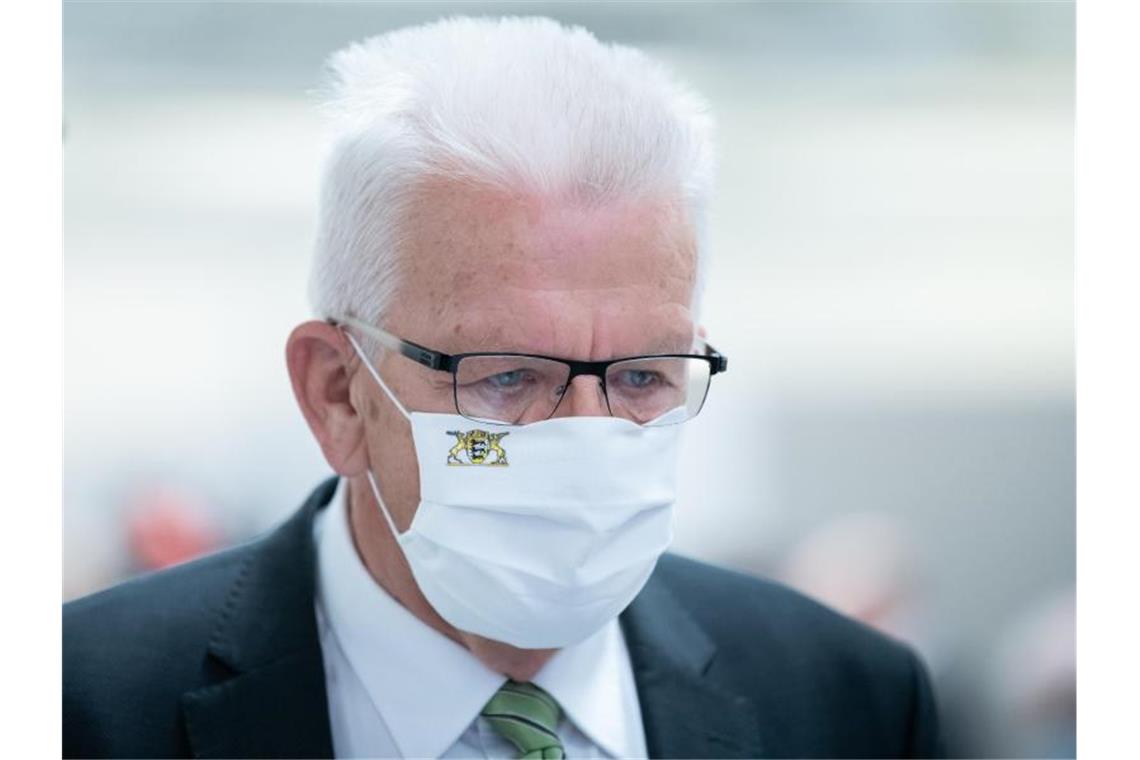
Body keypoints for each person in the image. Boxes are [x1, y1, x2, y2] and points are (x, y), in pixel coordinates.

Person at [63, 16, 941, 759]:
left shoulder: (847, 700)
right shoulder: (80, 707)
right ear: (337, 392)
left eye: (641, 376)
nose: (587, 439)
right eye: (509, 377)